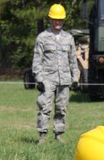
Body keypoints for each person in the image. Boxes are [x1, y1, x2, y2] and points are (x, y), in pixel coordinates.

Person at [32, 4, 79, 144]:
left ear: (63, 20)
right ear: (50, 20)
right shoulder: (42, 38)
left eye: (60, 20)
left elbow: (73, 60)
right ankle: (42, 136)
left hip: (64, 80)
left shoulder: (69, 38)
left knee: (61, 108)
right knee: (45, 107)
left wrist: (75, 78)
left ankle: (58, 135)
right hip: (47, 79)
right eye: (55, 20)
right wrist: (39, 79)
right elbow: (37, 60)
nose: (57, 22)